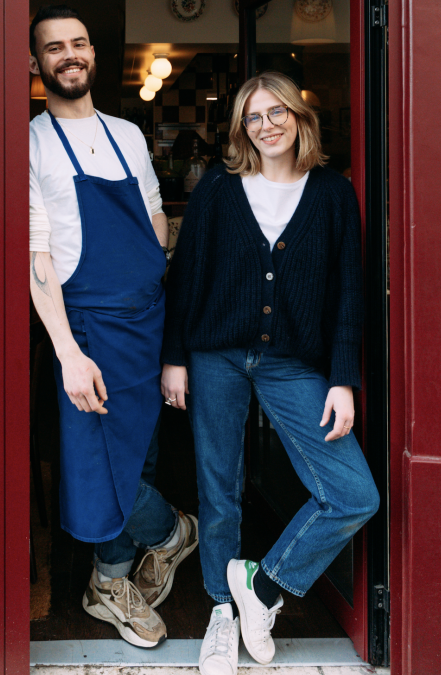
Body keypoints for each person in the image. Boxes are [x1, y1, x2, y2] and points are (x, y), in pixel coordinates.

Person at [160, 71, 380, 675]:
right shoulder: (218, 190)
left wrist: (342, 378)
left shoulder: (334, 193)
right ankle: (220, 616)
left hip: (292, 363)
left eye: (278, 112)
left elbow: (346, 295)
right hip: (215, 356)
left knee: (353, 494)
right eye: (254, 117)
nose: (267, 125)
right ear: (241, 130)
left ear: (300, 118)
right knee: (219, 487)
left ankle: (261, 587)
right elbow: (186, 278)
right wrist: (175, 358)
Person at [28, 4, 197, 649]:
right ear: (37, 63)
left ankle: (109, 583)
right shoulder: (32, 144)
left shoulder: (128, 133)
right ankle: (175, 534)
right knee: (99, 461)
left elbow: (155, 218)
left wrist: (151, 282)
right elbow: (36, 256)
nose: (69, 55)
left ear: (92, 53)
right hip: (89, 325)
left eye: (78, 43)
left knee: (141, 454)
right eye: (54, 48)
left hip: (147, 320)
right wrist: (67, 350)